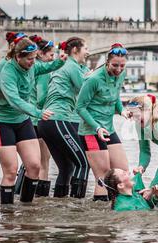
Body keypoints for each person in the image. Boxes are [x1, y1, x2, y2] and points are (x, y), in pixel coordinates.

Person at [0, 37, 66, 205]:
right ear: (18, 57)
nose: (33, 62)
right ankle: (7, 213)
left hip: (22, 121)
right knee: (10, 171)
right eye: (30, 59)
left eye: (34, 58)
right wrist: (38, 112)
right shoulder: (7, 70)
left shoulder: (32, 66)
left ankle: (26, 208)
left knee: (34, 166)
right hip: (2, 122)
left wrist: (60, 62)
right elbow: (14, 100)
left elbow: (46, 67)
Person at [76, 43, 131, 201]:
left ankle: (117, 210)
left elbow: (116, 96)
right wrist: (97, 127)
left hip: (108, 128)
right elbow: (79, 107)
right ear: (107, 62)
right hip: (91, 131)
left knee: (122, 170)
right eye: (115, 65)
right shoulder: (93, 79)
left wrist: (122, 111)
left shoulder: (120, 74)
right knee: (103, 175)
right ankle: (99, 219)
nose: (119, 69)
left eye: (122, 65)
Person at [38, 37, 91, 198]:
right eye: (86, 48)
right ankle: (77, 207)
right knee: (84, 163)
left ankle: (60, 205)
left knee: (67, 167)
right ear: (75, 50)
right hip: (57, 119)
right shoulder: (72, 66)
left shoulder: (71, 66)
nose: (88, 52)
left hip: (47, 122)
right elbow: (86, 91)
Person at [27, 34, 58, 197]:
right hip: (40, 119)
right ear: (41, 53)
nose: (53, 59)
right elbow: (41, 97)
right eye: (51, 55)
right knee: (44, 163)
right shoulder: (44, 71)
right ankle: (41, 198)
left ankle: (27, 195)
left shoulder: (31, 67)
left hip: (28, 118)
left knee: (30, 163)